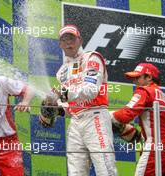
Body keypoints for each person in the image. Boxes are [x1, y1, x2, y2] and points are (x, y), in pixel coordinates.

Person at [39, 25, 117, 176]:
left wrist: (63, 93)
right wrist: (55, 107)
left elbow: (91, 90)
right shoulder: (61, 72)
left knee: (105, 169)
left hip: (95, 118)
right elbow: (70, 105)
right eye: (64, 40)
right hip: (75, 121)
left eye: (72, 39)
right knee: (75, 172)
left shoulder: (92, 57)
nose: (68, 43)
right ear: (60, 44)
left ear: (80, 40)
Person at [111, 63, 165, 176]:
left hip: (155, 147)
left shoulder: (145, 91)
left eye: (137, 77)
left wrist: (107, 117)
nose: (134, 81)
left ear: (149, 77)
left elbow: (126, 115)